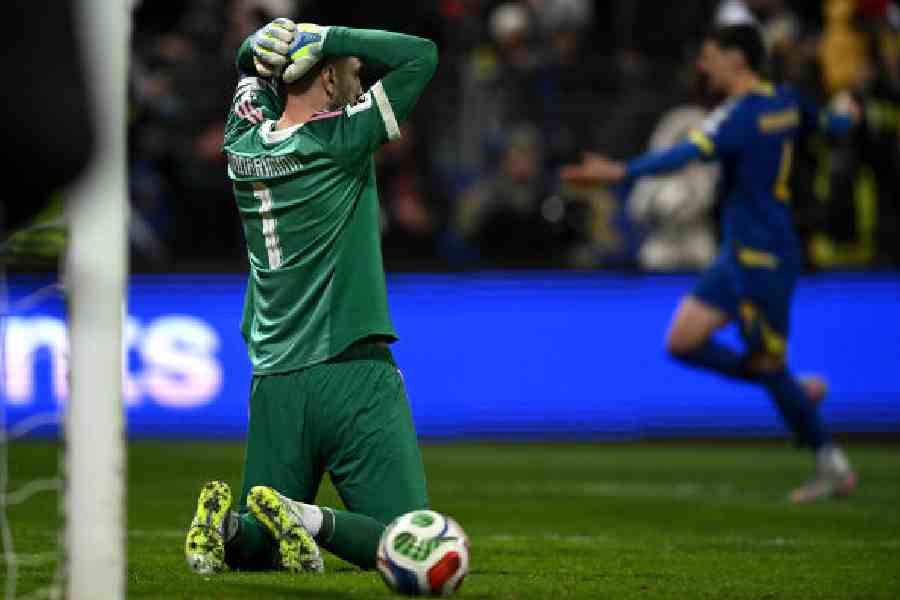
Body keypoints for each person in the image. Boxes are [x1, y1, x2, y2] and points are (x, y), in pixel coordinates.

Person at [561, 24, 859, 503]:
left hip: (762, 256)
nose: (702, 66)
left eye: (709, 55)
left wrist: (619, 172)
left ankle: (832, 465)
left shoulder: (738, 115)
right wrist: (847, 114)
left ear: (736, 59)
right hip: (740, 252)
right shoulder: (785, 101)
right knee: (683, 340)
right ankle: (792, 389)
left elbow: (682, 155)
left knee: (765, 359)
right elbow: (828, 124)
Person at [183, 18, 438, 574]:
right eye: (351, 68)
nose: (361, 75)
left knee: (259, 545)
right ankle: (307, 517)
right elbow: (420, 53)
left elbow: (246, 67)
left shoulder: (240, 139)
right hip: (350, 368)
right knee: (407, 539)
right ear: (324, 74)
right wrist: (331, 37)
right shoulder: (343, 139)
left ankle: (225, 529)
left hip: (275, 378)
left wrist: (257, 45)